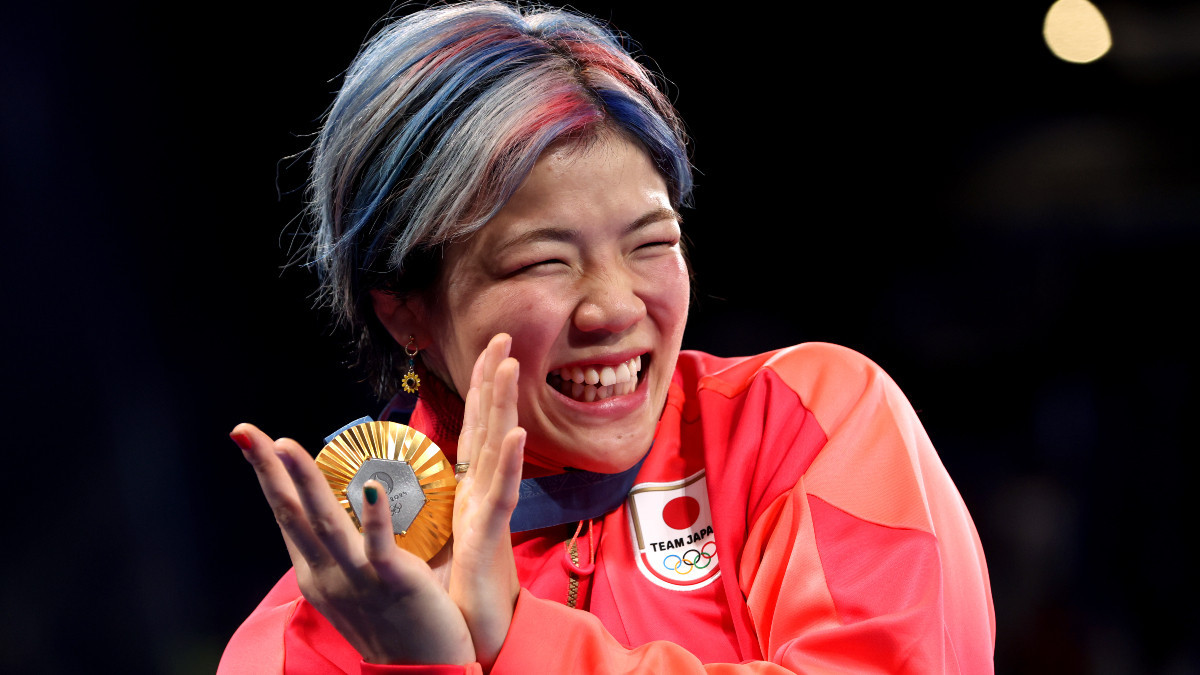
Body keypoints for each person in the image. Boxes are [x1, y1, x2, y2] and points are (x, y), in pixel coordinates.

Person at [220, 2, 996, 673]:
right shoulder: (302, 639)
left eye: (651, 243)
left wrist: (516, 638)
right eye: (542, 261)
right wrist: (425, 660)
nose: (614, 307)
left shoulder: (804, 426)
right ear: (405, 311)